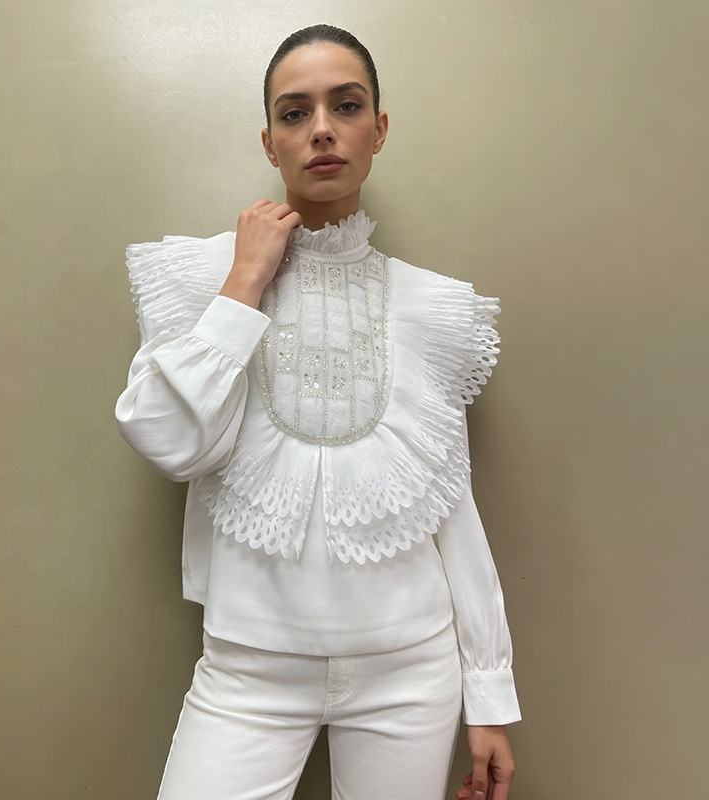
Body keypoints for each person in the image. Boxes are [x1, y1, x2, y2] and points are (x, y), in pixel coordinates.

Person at [114, 23, 521, 800]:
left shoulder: (432, 306)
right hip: (250, 666)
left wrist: (490, 693)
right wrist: (244, 283)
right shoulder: (204, 275)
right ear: (270, 142)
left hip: (411, 670)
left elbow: (452, 505)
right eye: (295, 112)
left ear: (379, 129)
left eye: (348, 105)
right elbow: (169, 442)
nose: (323, 129)